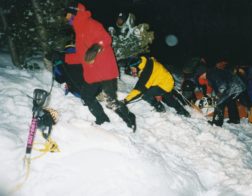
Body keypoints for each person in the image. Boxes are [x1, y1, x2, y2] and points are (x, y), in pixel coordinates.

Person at [64, 3, 136, 131]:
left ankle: (130, 119)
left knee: (111, 102)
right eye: (66, 17)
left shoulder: (90, 24)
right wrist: (62, 58)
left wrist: (96, 47)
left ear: (76, 13)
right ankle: (102, 119)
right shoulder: (79, 30)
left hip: (105, 72)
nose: (67, 19)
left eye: (69, 16)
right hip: (92, 74)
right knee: (86, 97)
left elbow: (106, 38)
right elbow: (82, 56)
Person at [123, 56, 190, 117]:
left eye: (133, 69)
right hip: (164, 81)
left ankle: (159, 107)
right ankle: (184, 112)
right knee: (168, 98)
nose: (132, 71)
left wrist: (126, 100)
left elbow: (139, 89)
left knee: (145, 94)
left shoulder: (147, 70)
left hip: (163, 84)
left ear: (137, 66)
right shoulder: (145, 62)